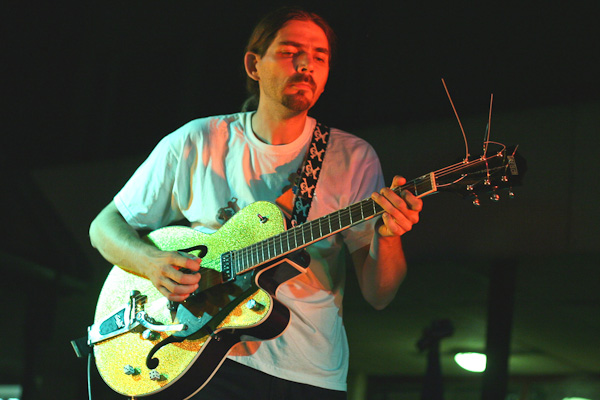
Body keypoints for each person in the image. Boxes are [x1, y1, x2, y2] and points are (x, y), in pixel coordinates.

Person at [89, 6, 422, 400]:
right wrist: (150, 262)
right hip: (203, 358)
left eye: (319, 57)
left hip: (311, 373)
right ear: (254, 65)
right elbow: (104, 227)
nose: (306, 65)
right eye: (290, 52)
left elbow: (380, 295)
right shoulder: (199, 140)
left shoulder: (351, 158)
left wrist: (390, 236)